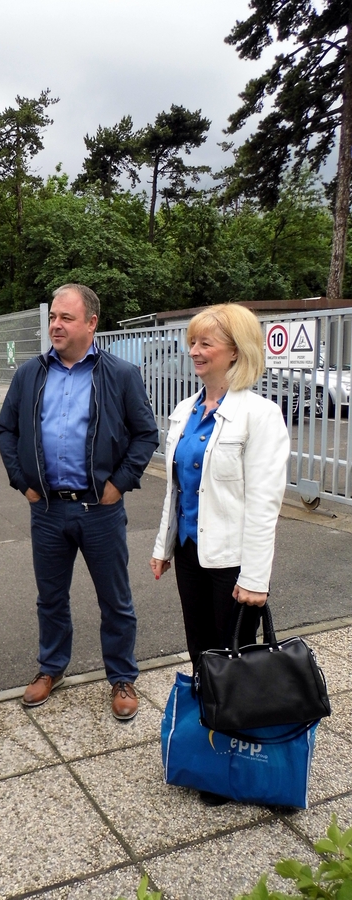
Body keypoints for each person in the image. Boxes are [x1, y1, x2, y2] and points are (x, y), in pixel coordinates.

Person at [0, 284, 159, 720]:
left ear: (91, 323)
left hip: (100, 510)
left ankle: (122, 677)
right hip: (48, 509)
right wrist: (22, 482)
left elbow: (146, 434)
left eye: (66, 318)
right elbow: (5, 430)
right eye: (53, 317)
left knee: (115, 600)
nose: (56, 325)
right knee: (50, 598)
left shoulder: (120, 374)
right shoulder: (30, 374)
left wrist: (119, 483)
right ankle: (51, 668)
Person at [149, 303, 290, 802]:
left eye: (205, 343)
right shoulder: (186, 409)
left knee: (235, 660)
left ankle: (237, 756)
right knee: (202, 652)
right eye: (192, 341)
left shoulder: (259, 415)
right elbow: (176, 489)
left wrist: (255, 578)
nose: (194, 351)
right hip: (192, 552)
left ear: (235, 351)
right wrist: (164, 546)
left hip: (233, 560)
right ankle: (212, 747)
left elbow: (265, 503)